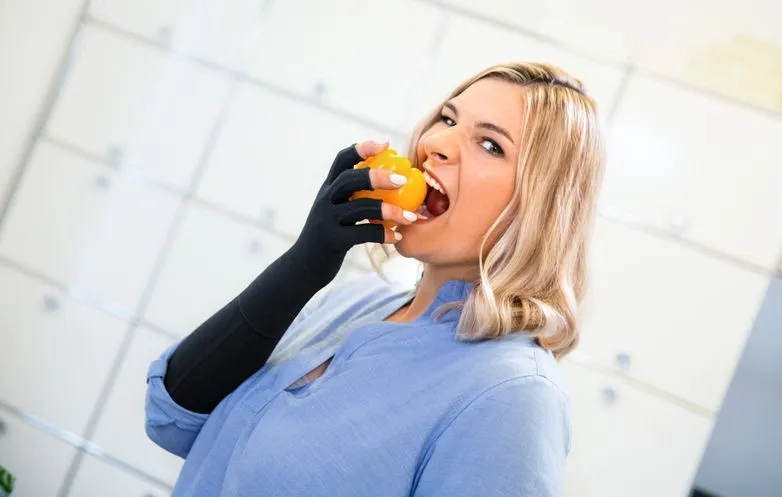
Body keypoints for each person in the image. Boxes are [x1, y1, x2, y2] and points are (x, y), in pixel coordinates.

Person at [144, 61, 605, 496]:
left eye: (490, 145)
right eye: (447, 119)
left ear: (539, 207)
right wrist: (302, 266)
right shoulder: (351, 303)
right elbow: (172, 416)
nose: (435, 145)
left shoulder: (514, 396)